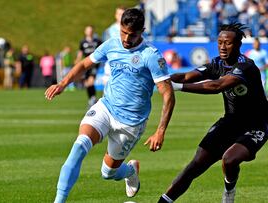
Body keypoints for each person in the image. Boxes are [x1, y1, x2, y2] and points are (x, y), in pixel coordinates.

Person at [45, 8, 175, 203]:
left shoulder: (151, 55)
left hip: (131, 122)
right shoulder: (111, 44)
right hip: (106, 108)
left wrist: (160, 131)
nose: (126, 39)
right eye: (123, 32)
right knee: (79, 146)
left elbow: (168, 94)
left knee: (108, 173)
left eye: (132, 35)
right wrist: (63, 83)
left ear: (142, 31)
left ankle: (130, 170)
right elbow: (84, 64)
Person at [157, 22, 268, 203]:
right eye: (220, 42)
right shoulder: (217, 63)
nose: (222, 46)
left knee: (229, 160)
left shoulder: (246, 67)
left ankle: (229, 190)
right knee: (195, 166)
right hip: (229, 123)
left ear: (238, 45)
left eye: (227, 43)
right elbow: (186, 76)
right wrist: (160, 81)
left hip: (255, 125)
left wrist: (177, 87)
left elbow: (216, 86)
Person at [75, 25, 102, 107]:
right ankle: (92, 99)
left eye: (90, 30)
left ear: (92, 31)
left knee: (91, 81)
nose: (89, 31)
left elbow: (102, 51)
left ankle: (93, 99)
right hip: (86, 65)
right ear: (85, 32)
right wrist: (77, 61)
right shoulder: (83, 42)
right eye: (88, 30)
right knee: (87, 84)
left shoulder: (97, 41)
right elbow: (80, 53)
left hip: (94, 64)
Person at [101, 6, 126, 86]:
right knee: (108, 88)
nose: (120, 16)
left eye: (122, 14)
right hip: (112, 62)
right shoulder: (109, 30)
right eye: (119, 14)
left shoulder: (130, 30)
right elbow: (105, 47)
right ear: (115, 15)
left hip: (126, 62)